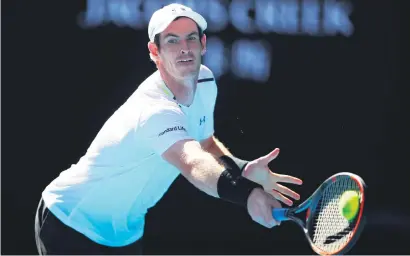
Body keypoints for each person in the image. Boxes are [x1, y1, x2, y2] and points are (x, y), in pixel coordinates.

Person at [34, 3, 303, 255]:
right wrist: (248, 195)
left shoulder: (206, 81)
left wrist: (241, 168)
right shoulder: (155, 110)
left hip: (125, 234)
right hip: (70, 220)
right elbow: (194, 163)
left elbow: (205, 145)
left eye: (191, 38)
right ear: (155, 52)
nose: (184, 48)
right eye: (172, 41)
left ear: (203, 44)